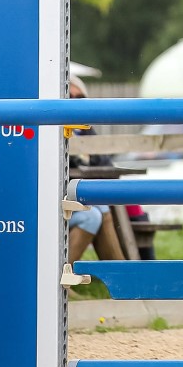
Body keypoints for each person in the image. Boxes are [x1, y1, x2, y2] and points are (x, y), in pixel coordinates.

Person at [65, 74, 124, 263]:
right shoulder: (53, 127)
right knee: (96, 211)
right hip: (56, 201)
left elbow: (106, 166)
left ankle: (121, 275)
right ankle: (121, 275)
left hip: (76, 197)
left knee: (98, 209)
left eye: (80, 98)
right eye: (69, 96)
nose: (74, 101)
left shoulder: (86, 129)